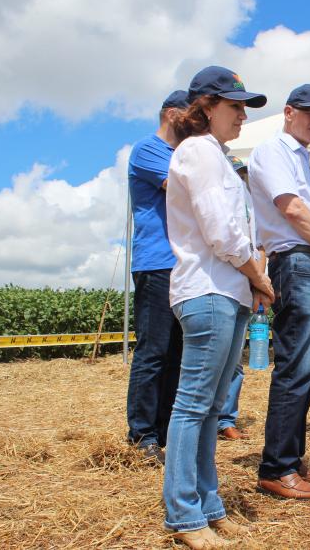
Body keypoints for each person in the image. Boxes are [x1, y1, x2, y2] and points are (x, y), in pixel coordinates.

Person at [162, 66, 273, 549]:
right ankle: (185, 516)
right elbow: (221, 232)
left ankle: (208, 506)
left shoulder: (219, 157)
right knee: (192, 405)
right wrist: (259, 276)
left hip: (227, 291)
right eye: (235, 107)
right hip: (208, 289)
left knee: (210, 409)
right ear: (206, 107)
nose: (243, 116)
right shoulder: (199, 152)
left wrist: (251, 281)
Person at [248, 84, 310, 500]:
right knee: (296, 366)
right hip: (295, 261)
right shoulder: (273, 151)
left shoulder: (302, 161)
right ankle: (276, 467)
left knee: (308, 365)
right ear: (288, 112)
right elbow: (291, 208)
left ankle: (290, 457)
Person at [125, 89, 188, 464]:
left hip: (183, 265)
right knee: (154, 350)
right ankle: (142, 434)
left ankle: (164, 431)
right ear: (170, 113)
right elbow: (182, 189)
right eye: (189, 113)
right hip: (156, 263)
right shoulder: (148, 150)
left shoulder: (183, 155)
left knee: (177, 352)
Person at [216, 156, 263, 442]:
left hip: (246, 286)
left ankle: (225, 419)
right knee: (218, 359)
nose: (242, 176)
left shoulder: (251, 203)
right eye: (238, 172)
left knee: (234, 362)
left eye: (243, 172)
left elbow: (260, 246)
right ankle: (214, 419)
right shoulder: (223, 197)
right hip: (224, 285)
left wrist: (260, 280)